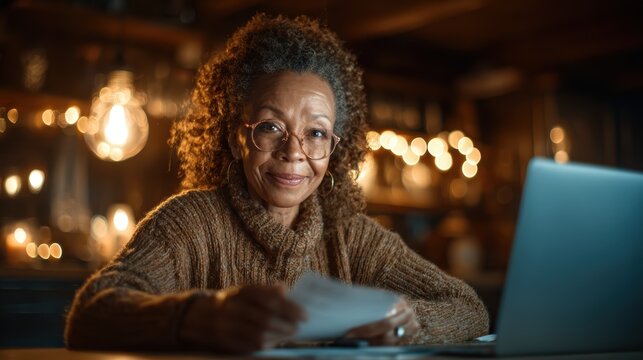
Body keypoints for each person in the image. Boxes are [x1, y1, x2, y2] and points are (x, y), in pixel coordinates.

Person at [65, 14, 489, 353]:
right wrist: (201, 317)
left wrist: (407, 321)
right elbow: (91, 312)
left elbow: (470, 308)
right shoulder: (190, 224)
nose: (294, 151)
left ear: (334, 148)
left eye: (317, 133)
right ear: (236, 136)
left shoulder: (351, 238)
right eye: (271, 127)